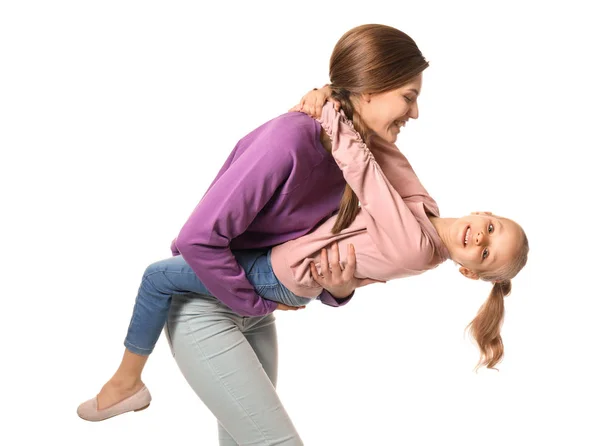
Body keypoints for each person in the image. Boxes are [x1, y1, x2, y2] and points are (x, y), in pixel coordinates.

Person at [77, 23, 526, 445]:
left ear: (471, 271)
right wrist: (330, 97)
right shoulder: (293, 141)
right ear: (369, 89)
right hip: (213, 305)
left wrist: (333, 290)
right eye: (408, 97)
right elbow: (197, 239)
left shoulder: (381, 192)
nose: (416, 112)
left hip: (259, 304)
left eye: (486, 253)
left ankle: (125, 382)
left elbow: (362, 200)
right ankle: (124, 383)